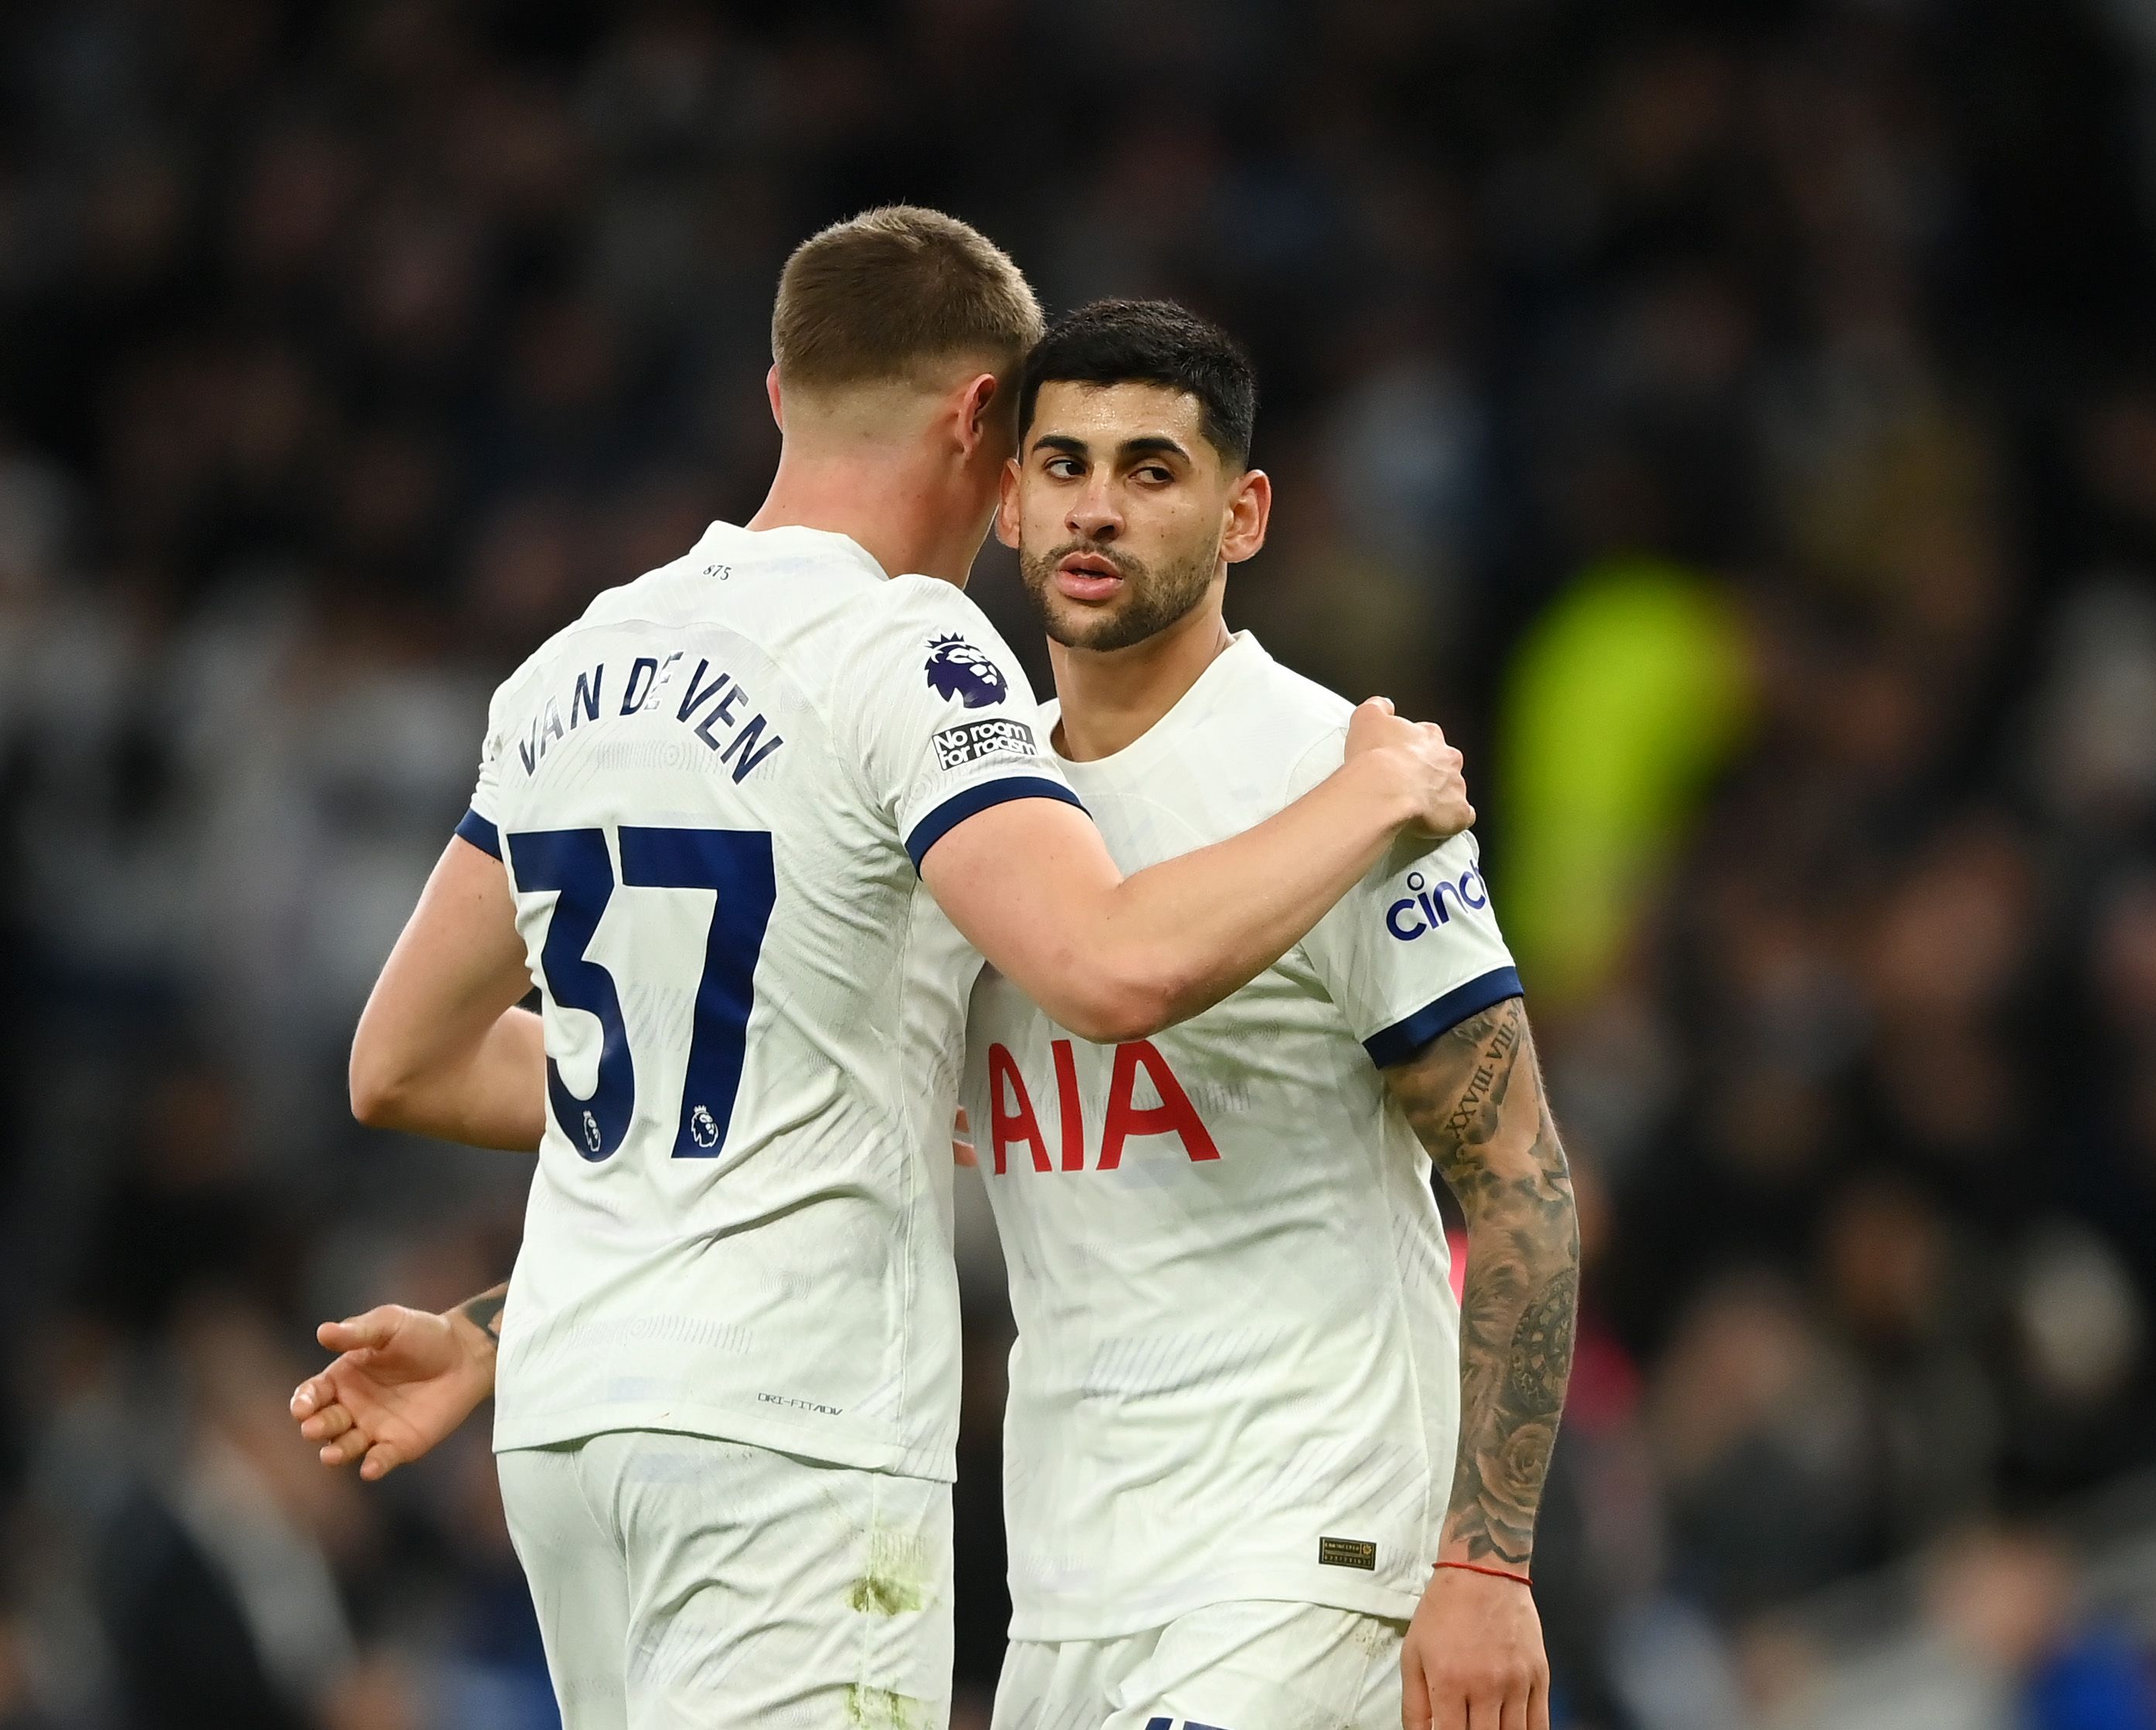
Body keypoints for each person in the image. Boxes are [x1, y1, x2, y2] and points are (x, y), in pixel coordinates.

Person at [292, 212, 1472, 1730]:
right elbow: (1104, 964)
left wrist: (490, 1329)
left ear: (779, 398)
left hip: (570, 1424)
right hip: (791, 1433)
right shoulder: (910, 649)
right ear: (984, 423)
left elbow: (402, 1061)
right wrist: (1365, 793)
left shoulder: (577, 661)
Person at [964, 301, 1577, 1730]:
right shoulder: (974, 813)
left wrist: (1486, 1565)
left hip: (1304, 1562)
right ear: (1005, 502)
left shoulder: (1338, 780)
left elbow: (1522, 1178)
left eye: (1150, 471)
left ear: (1242, 517)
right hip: (1066, 1591)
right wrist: (506, 1322)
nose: (1096, 510)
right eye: (1061, 466)